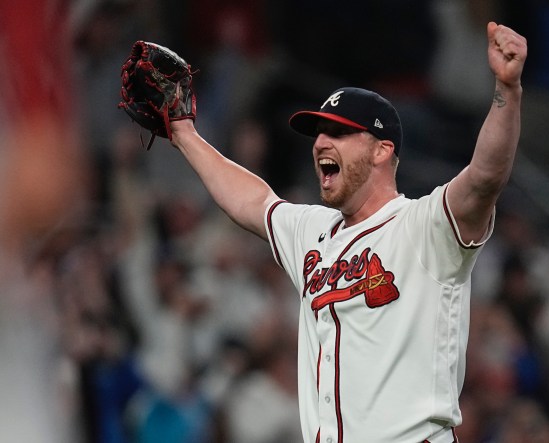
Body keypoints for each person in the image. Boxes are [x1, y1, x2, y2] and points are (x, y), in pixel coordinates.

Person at [167, 21, 526, 443]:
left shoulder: (425, 226)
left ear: (381, 149)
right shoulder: (312, 230)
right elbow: (253, 201)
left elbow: (484, 177)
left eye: (338, 132)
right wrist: (184, 133)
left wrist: (507, 91)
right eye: (318, 132)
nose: (320, 142)